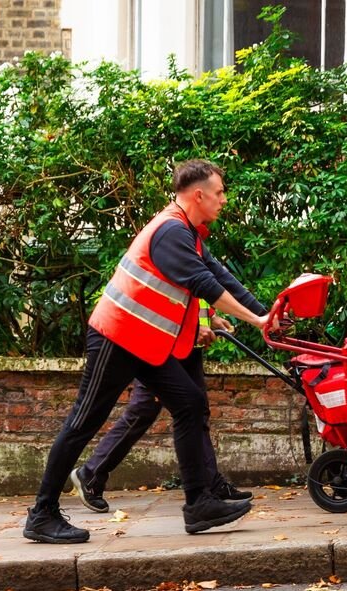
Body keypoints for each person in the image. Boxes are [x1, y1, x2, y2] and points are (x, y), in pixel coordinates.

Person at [24, 159, 275, 543]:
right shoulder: (171, 231)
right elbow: (203, 283)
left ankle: (199, 503)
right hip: (116, 337)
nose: (224, 199)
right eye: (220, 192)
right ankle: (42, 514)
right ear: (198, 195)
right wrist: (256, 321)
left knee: (189, 402)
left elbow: (219, 274)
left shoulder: (188, 232)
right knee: (83, 422)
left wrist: (266, 313)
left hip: (145, 343)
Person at [67, 300, 254, 514]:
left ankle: (211, 482)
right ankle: (91, 473)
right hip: (166, 344)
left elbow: (194, 290)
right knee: (143, 411)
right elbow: (167, 293)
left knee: (197, 411)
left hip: (186, 345)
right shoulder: (163, 264)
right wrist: (194, 327)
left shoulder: (194, 265)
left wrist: (210, 316)